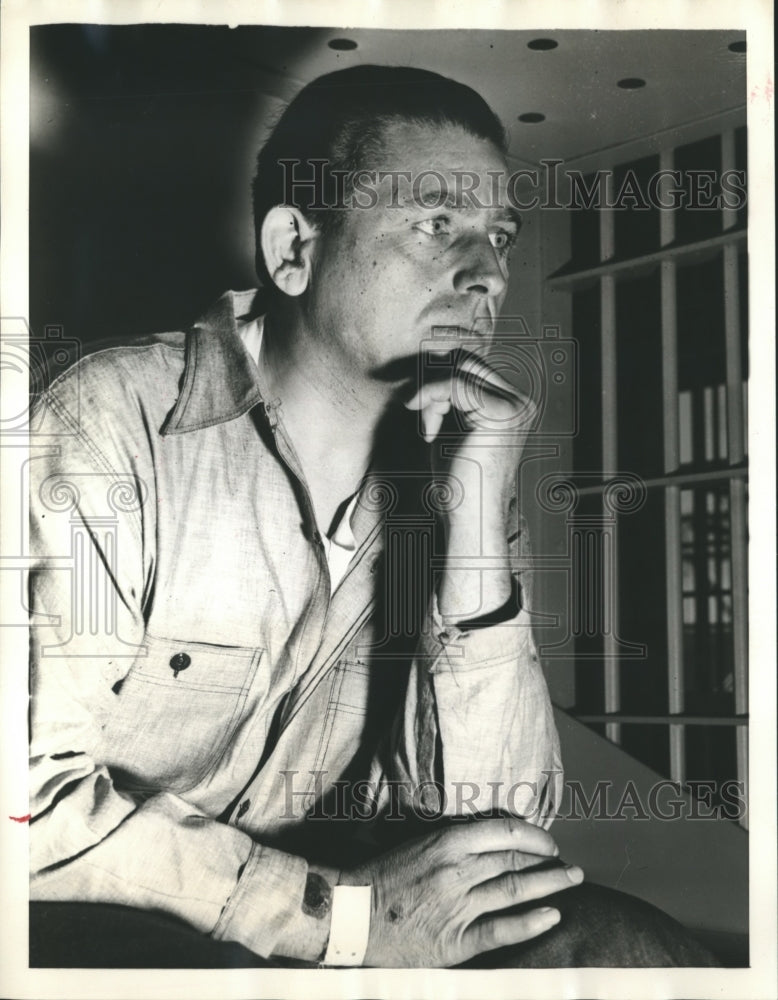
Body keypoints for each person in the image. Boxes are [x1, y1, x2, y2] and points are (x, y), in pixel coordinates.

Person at [28, 64, 717, 969]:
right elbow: (24, 806)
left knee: (625, 948)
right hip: (97, 902)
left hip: (333, 891)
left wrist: (474, 517)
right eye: (436, 223)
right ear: (293, 251)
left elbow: (498, 828)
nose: (488, 273)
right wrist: (341, 918)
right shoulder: (107, 425)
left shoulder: (454, 467)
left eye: (500, 234)